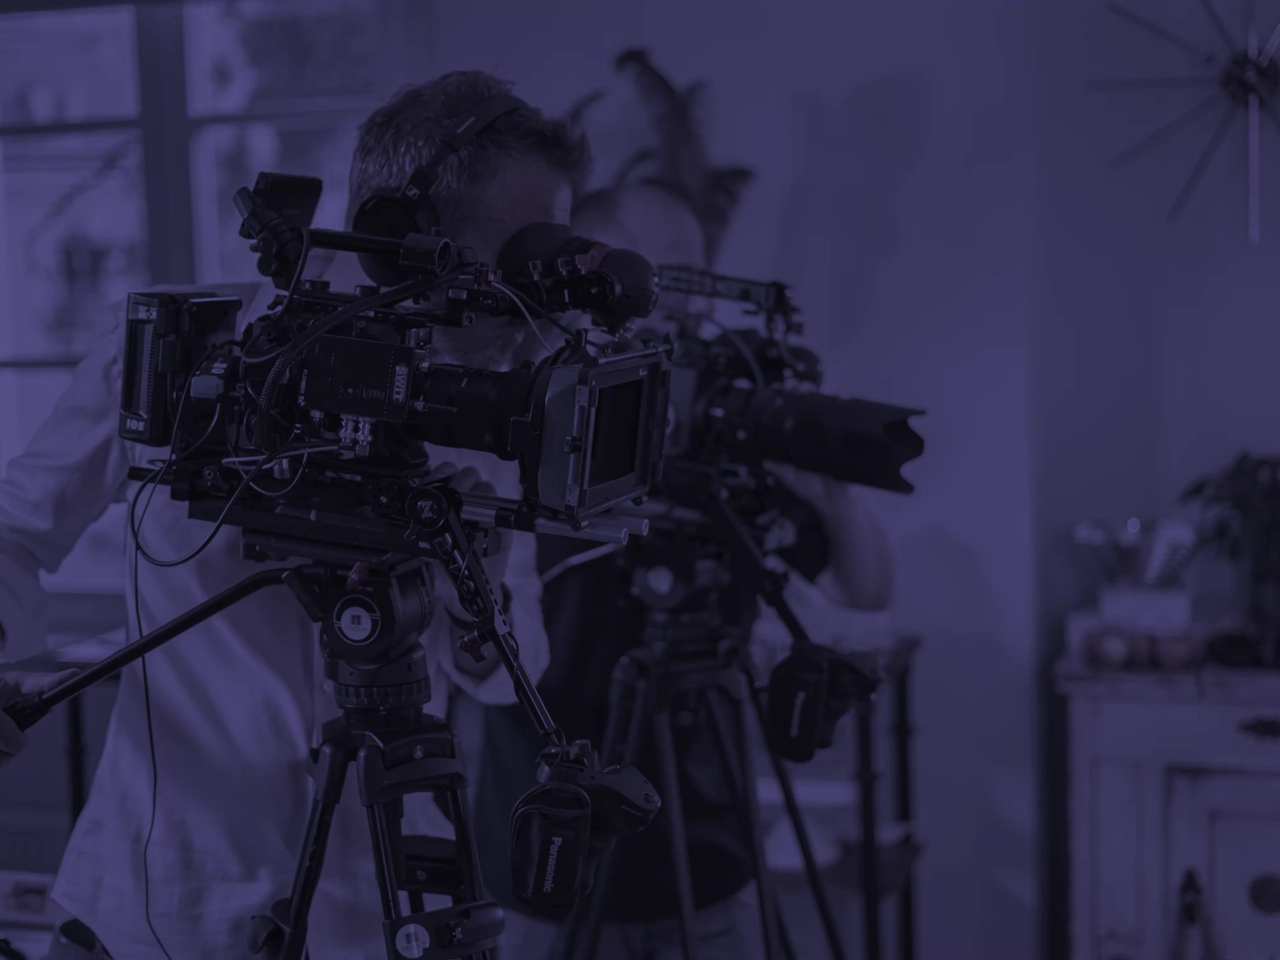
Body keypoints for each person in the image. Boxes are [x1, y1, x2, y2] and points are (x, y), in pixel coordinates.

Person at [0, 71, 588, 960]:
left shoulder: (490, 412)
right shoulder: (176, 357)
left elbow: (511, 673)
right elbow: (15, 530)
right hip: (157, 899)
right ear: (401, 227)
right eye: (517, 255)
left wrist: (476, 578)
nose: (532, 296)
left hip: (379, 910)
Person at [473, 54, 895, 960]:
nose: (692, 311)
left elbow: (865, 590)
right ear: (591, 286)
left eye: (702, 277)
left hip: (708, 869)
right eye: (668, 281)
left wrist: (829, 487)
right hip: (549, 867)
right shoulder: (516, 429)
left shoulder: (720, 427)